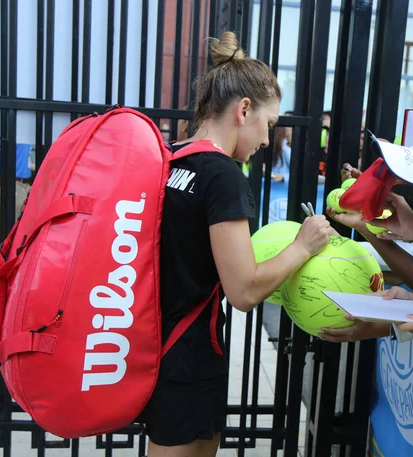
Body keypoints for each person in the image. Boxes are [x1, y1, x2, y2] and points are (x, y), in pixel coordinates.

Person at [138, 31, 331, 457]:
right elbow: (243, 291)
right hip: (187, 354)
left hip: (156, 345)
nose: (267, 140)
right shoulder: (222, 174)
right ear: (244, 110)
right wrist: (303, 245)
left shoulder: (172, 158)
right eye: (269, 124)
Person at [0, 132, 33, 273]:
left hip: (20, 184)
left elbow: (24, 161)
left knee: (11, 233)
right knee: (0, 232)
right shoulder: (15, 124)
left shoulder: (24, 127)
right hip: (10, 183)